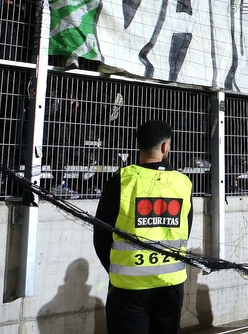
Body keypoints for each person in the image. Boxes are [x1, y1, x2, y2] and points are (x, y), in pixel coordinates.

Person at [94, 120, 192, 334]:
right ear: (166, 146)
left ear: (139, 145)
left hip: (129, 287)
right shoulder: (183, 183)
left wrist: (118, 268)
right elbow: (186, 230)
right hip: (171, 283)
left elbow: (101, 232)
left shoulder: (122, 179)